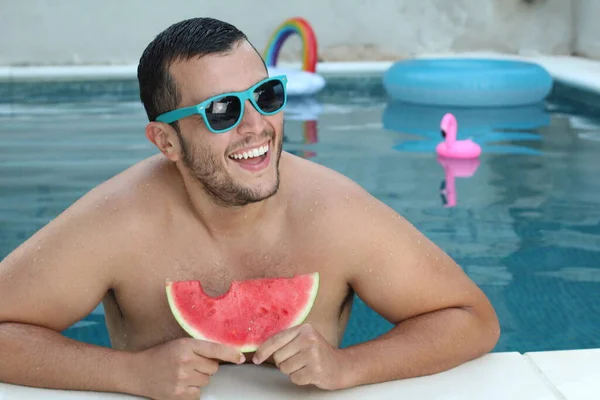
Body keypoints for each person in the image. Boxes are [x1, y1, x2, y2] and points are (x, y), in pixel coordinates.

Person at [0, 17, 500, 400]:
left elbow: (472, 320)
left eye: (265, 95)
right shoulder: (119, 222)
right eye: (223, 110)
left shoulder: (336, 213)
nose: (257, 127)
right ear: (165, 140)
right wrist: (130, 373)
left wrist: (350, 367)